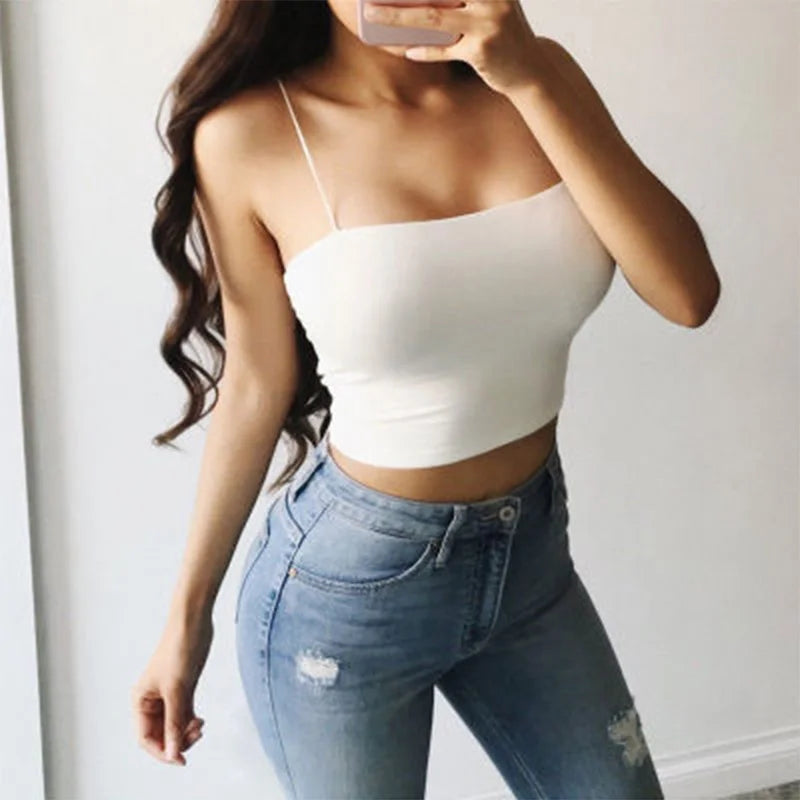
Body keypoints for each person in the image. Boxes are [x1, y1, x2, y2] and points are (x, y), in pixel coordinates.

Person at [132, 1, 720, 797]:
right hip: (346, 594)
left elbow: (688, 294)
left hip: (530, 559)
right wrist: (185, 619)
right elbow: (257, 384)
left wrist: (529, 78)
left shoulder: (540, 77)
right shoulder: (247, 135)